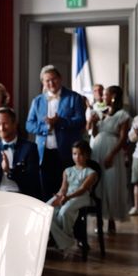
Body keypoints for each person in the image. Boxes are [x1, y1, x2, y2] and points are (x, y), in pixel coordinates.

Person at [26, 65, 86, 201]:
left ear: (60, 79)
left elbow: (81, 121)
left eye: (54, 79)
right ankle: (49, 221)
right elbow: (29, 125)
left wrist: (60, 122)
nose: (51, 83)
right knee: (46, 191)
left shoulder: (74, 97)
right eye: (47, 81)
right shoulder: (37, 100)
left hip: (66, 152)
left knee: (68, 190)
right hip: (44, 152)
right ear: (43, 83)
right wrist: (46, 127)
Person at [90, 85, 131, 232]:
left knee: (112, 184)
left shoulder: (122, 115)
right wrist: (94, 123)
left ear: (113, 96)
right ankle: (99, 219)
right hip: (97, 149)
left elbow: (123, 138)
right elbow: (95, 134)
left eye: (105, 94)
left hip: (112, 151)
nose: (102, 97)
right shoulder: (102, 113)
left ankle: (112, 219)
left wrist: (112, 154)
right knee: (98, 184)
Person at [48, 140, 97, 252]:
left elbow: (83, 189)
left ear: (87, 155)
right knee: (47, 209)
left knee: (64, 212)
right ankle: (64, 240)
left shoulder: (91, 172)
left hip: (82, 197)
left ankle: (62, 242)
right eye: (74, 154)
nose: (77, 157)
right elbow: (64, 187)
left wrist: (68, 198)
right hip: (67, 195)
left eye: (80, 154)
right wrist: (60, 196)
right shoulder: (67, 170)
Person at [0, 107, 41, 199]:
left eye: (5, 124)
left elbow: (32, 181)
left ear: (14, 124)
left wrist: (9, 171)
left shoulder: (30, 148)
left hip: (22, 196)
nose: (1, 128)